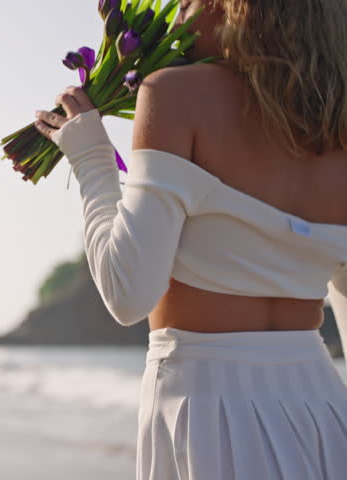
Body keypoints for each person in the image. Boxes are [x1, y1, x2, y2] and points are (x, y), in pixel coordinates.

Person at [34, 0, 347, 478]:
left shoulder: (176, 95)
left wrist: (91, 156)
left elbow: (127, 293)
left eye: (185, 1)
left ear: (231, 8)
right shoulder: (338, 126)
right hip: (324, 411)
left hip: (208, 410)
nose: (175, 13)